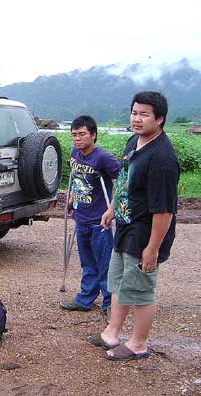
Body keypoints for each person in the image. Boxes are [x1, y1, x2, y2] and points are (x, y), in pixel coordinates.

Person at [88, 91, 179, 361]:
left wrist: (153, 248)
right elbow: (125, 181)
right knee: (118, 282)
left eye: (144, 114)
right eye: (134, 112)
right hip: (126, 227)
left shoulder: (162, 159)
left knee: (141, 289)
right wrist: (112, 209)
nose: (136, 119)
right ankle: (111, 333)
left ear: (160, 119)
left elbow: (165, 210)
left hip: (145, 234)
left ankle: (138, 344)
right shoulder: (134, 142)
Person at [60, 115, 120, 318]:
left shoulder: (104, 158)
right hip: (81, 216)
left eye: (82, 134)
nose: (77, 139)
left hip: (99, 220)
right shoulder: (75, 153)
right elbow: (75, 179)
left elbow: (122, 182)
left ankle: (109, 304)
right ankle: (85, 299)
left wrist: (112, 209)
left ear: (93, 135)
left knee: (105, 264)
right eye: (74, 135)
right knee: (87, 262)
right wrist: (70, 197)